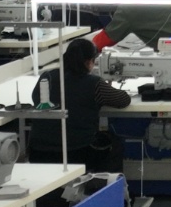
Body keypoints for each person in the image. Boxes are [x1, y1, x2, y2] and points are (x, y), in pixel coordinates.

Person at [25, 38, 132, 172]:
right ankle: (102, 182)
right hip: (78, 153)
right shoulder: (94, 83)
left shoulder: (47, 77)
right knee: (115, 143)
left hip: (39, 153)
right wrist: (107, 87)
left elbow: (36, 99)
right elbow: (124, 100)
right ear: (88, 62)